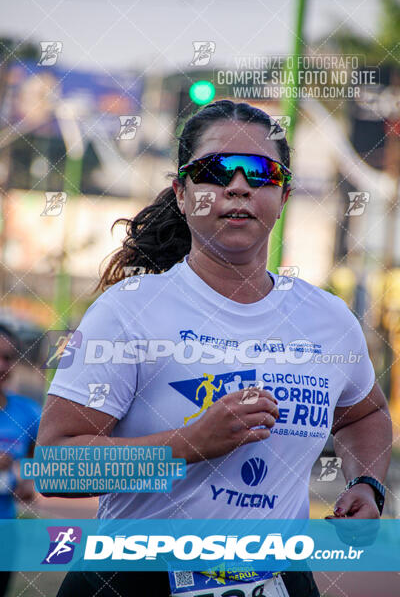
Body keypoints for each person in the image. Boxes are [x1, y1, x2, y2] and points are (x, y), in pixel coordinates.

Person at [37, 100, 392, 597]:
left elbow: (364, 415)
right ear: (182, 194)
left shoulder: (328, 320)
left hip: (277, 577)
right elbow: (57, 466)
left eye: (262, 173)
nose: (239, 185)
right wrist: (188, 445)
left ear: (284, 194)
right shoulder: (129, 312)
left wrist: (367, 484)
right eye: (214, 170)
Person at [0, 323, 42, 596]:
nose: (2, 365)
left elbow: (33, 455)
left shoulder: (28, 411)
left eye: (8, 357)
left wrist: (27, 481)